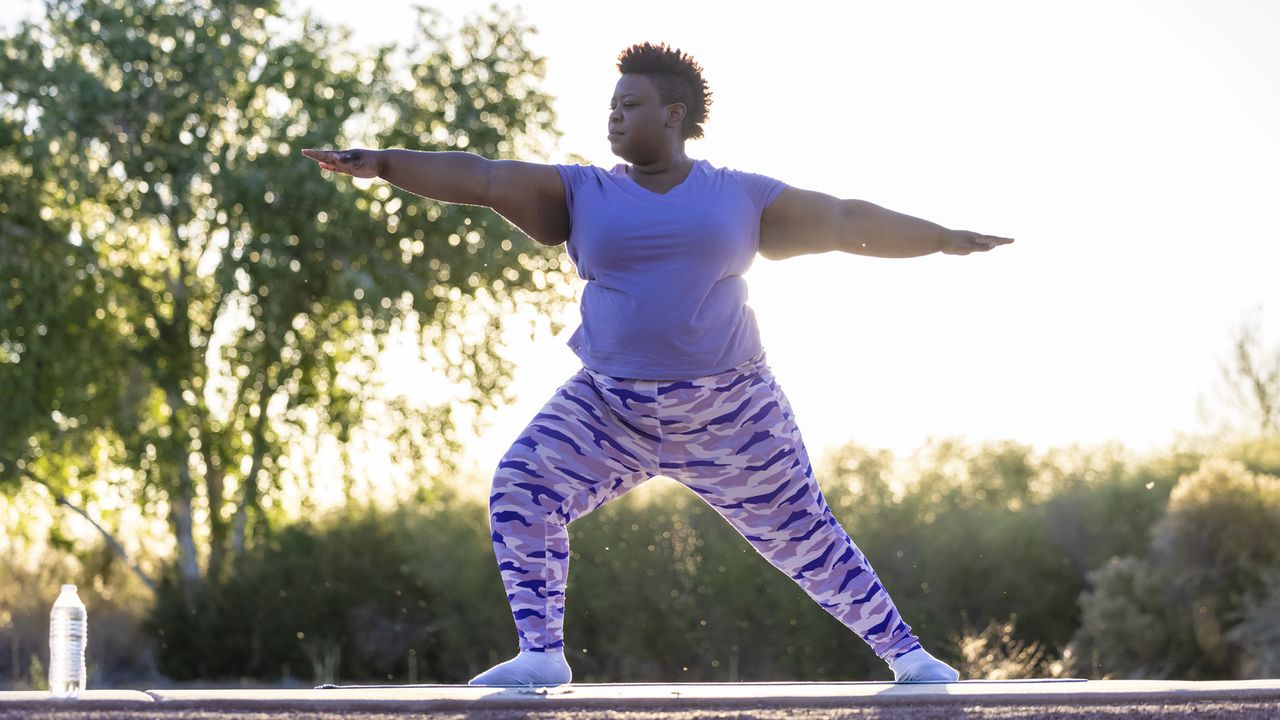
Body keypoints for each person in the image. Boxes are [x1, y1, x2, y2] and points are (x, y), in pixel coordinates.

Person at [303, 41, 1013, 687]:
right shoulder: (583, 191)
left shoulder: (739, 193)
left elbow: (848, 220)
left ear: (673, 114)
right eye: (610, 106)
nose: (613, 118)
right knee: (522, 487)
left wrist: (940, 237)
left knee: (805, 532)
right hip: (609, 407)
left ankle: (911, 660)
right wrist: (386, 164)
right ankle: (542, 655)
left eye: (629, 105)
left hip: (731, 409)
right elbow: (484, 177)